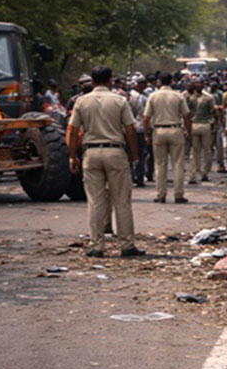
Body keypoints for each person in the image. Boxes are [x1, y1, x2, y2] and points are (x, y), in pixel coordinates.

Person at [66, 65, 142, 258]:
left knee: (95, 201)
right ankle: (127, 245)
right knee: (122, 201)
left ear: (92, 82)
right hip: (115, 152)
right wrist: (134, 155)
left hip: (91, 153)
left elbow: (73, 130)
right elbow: (130, 130)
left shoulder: (81, 102)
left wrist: (72, 156)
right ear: (110, 81)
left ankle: (97, 246)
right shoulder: (120, 101)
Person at [143, 71, 192, 203]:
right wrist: (189, 133)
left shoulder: (153, 96)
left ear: (159, 82)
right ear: (172, 82)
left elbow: (146, 117)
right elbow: (186, 116)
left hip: (158, 131)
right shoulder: (178, 96)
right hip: (175, 130)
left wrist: (147, 134)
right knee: (178, 164)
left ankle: (160, 195)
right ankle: (178, 195)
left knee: (160, 164)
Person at [185, 80, 217, 183]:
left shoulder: (189, 98)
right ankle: (205, 173)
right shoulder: (208, 98)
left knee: (194, 151)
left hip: (193, 125)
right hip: (205, 125)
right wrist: (215, 125)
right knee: (207, 151)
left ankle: (192, 175)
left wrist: (186, 128)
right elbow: (214, 112)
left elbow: (186, 114)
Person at [127, 77, 149, 187]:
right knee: (139, 154)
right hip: (139, 128)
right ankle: (138, 177)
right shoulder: (138, 97)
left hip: (131, 128)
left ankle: (134, 176)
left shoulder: (130, 96)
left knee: (131, 154)